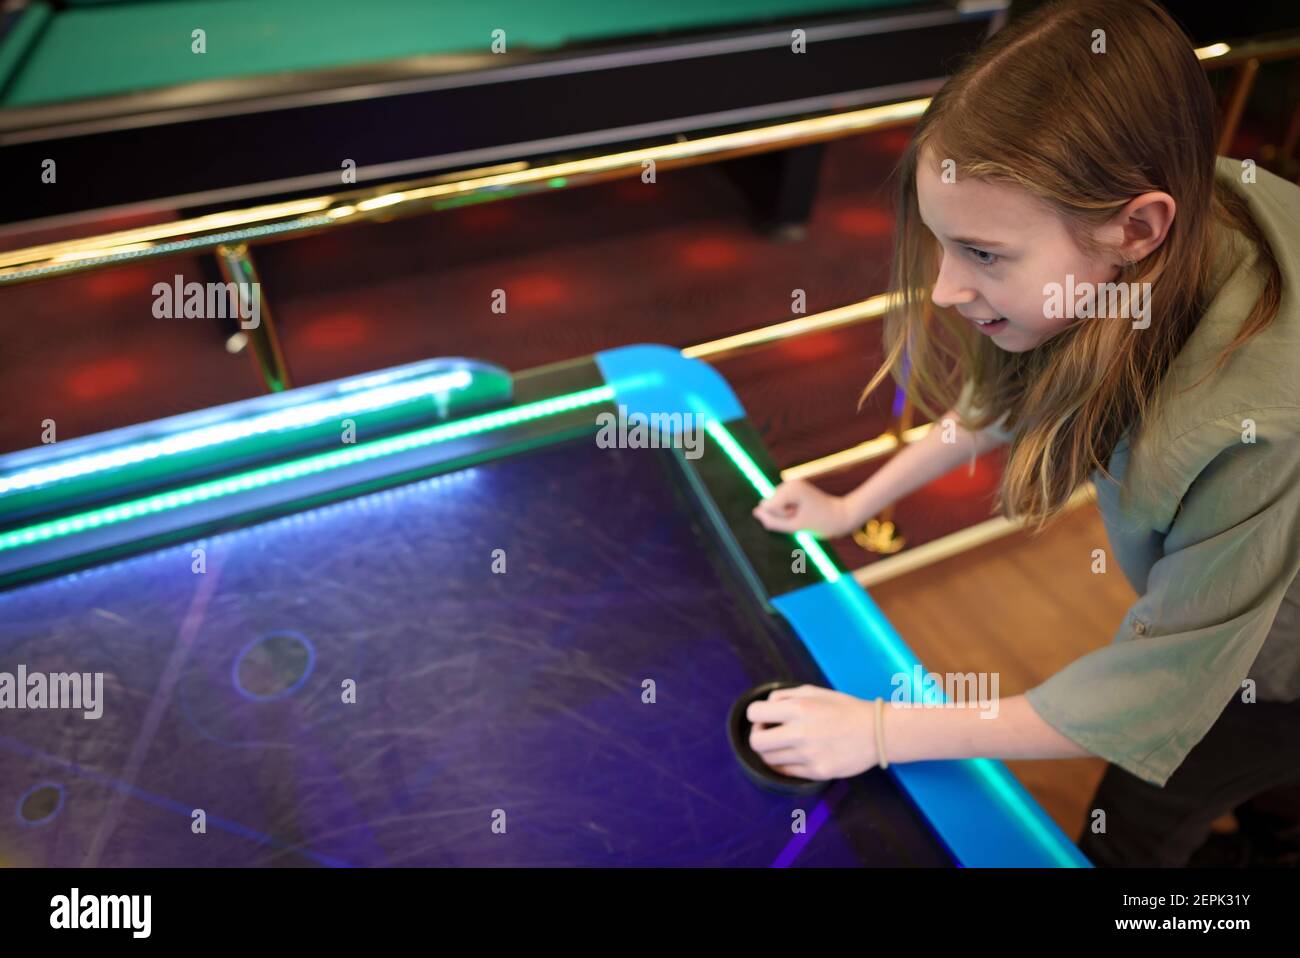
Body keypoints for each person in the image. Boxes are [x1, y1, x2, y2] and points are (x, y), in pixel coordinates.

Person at [749, 0, 1300, 867]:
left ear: (1137, 228)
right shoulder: (1156, 223)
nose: (942, 290)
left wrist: (882, 731)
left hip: (1279, 656)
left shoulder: (1264, 419)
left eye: (985, 255)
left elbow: (1157, 689)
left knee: (1142, 821)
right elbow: (1009, 391)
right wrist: (852, 504)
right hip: (1246, 604)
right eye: (942, 244)